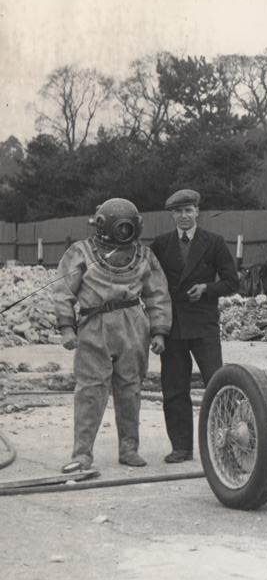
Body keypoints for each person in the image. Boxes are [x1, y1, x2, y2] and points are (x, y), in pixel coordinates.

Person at [54, 198, 171, 473]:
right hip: (95, 323)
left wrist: (159, 330)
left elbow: (157, 294)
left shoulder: (143, 256)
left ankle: (129, 448)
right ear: (103, 225)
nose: (124, 233)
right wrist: (67, 327)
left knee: (131, 388)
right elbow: (63, 292)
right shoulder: (80, 252)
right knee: (90, 390)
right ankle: (82, 453)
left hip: (133, 323)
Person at [150, 189, 239, 463]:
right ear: (172, 215)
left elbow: (232, 282)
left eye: (188, 210)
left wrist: (207, 288)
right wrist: (157, 329)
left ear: (197, 212)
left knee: (218, 384)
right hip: (173, 326)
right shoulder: (161, 245)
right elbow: (151, 285)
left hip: (203, 325)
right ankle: (182, 447)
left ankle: (228, 444)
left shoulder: (214, 242)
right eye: (178, 211)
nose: (183, 216)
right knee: (174, 389)